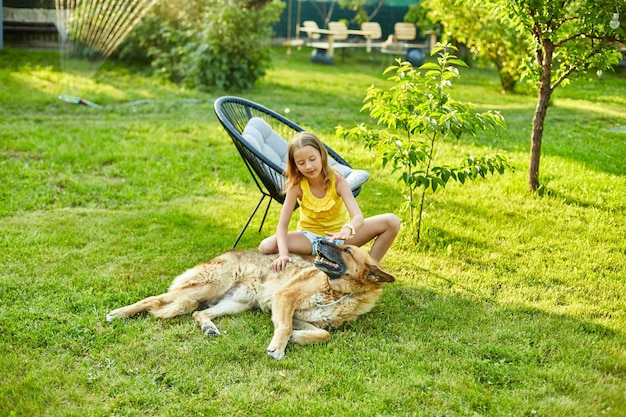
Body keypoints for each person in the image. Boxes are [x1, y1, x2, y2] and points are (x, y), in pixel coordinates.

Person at [258, 132, 400, 272]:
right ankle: (315, 261)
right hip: (309, 239)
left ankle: (368, 269)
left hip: (339, 238)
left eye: (312, 159)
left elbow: (358, 217)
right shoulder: (296, 186)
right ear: (295, 165)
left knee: (391, 221)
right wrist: (283, 255)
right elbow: (282, 226)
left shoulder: (337, 181)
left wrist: (347, 230)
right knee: (266, 246)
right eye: (301, 163)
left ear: (322, 155)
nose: (308, 166)